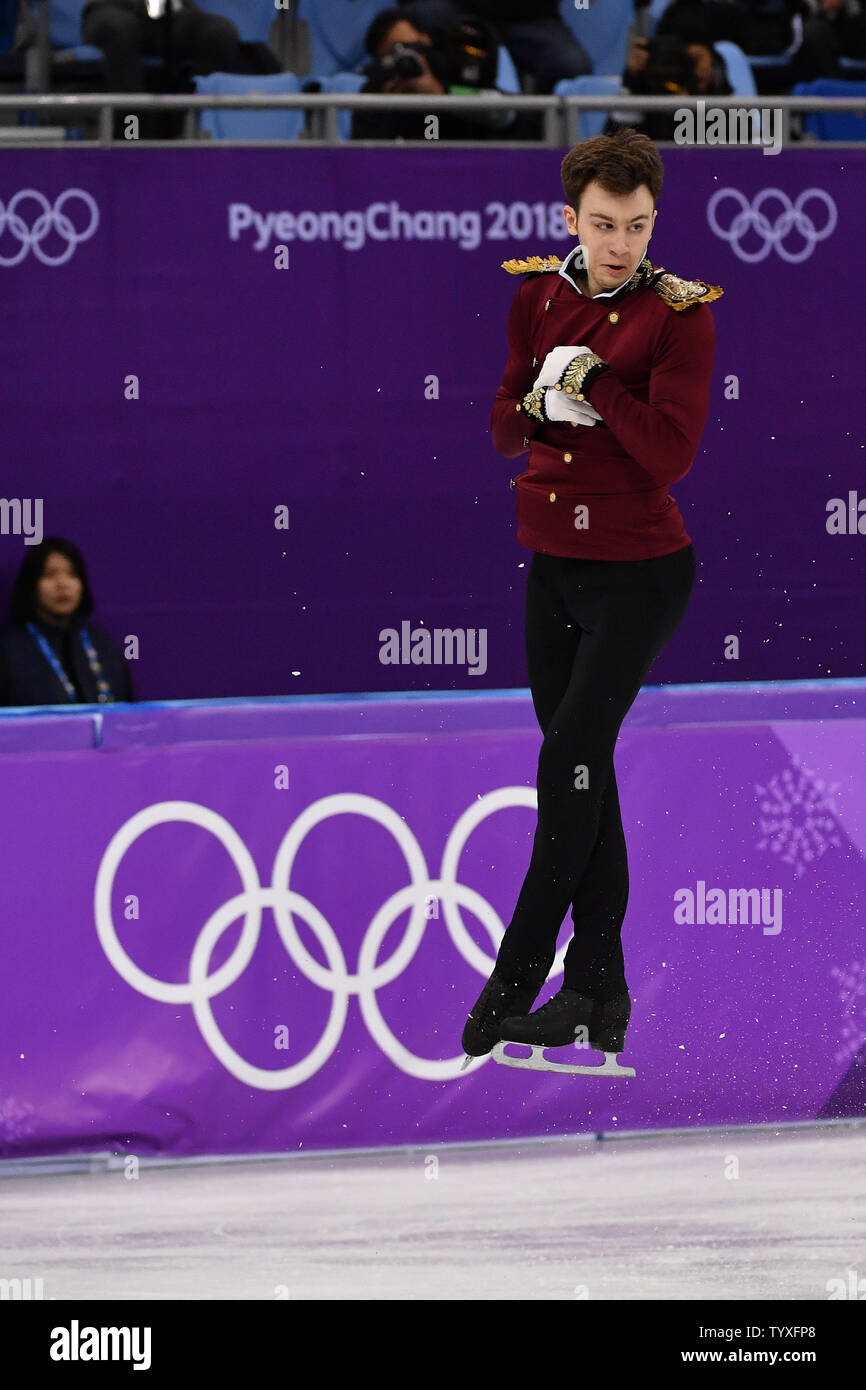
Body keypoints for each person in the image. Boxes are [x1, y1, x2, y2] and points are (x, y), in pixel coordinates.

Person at [461, 128, 723, 1069]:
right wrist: (538, 404)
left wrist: (600, 386)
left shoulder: (680, 318)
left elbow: (671, 453)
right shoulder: (536, 294)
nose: (622, 245)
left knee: (571, 752)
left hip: (641, 574)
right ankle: (598, 992)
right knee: (584, 771)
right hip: (552, 568)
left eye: (639, 227)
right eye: (605, 225)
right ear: (570, 219)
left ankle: (517, 976)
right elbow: (497, 427)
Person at [0, 538, 133, 706]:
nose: (62, 584)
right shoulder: (9, 649)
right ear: (32, 585)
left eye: (72, 574)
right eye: (49, 575)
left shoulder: (101, 643)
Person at [351, 8, 514, 142]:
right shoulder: (376, 88)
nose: (406, 57)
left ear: (426, 39)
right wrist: (387, 106)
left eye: (412, 47)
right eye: (394, 54)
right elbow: (364, 155)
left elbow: (506, 114)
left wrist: (439, 93)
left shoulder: (456, 72)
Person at [397, 0, 592, 93]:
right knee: (418, 17)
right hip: (457, 7)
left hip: (533, 16)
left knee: (570, 64)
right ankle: (437, 123)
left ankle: (537, 132)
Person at [81, 0, 241, 94]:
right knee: (122, 29)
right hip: (112, 8)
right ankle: (131, 132)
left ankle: (193, 125)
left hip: (167, 14)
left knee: (219, 33)